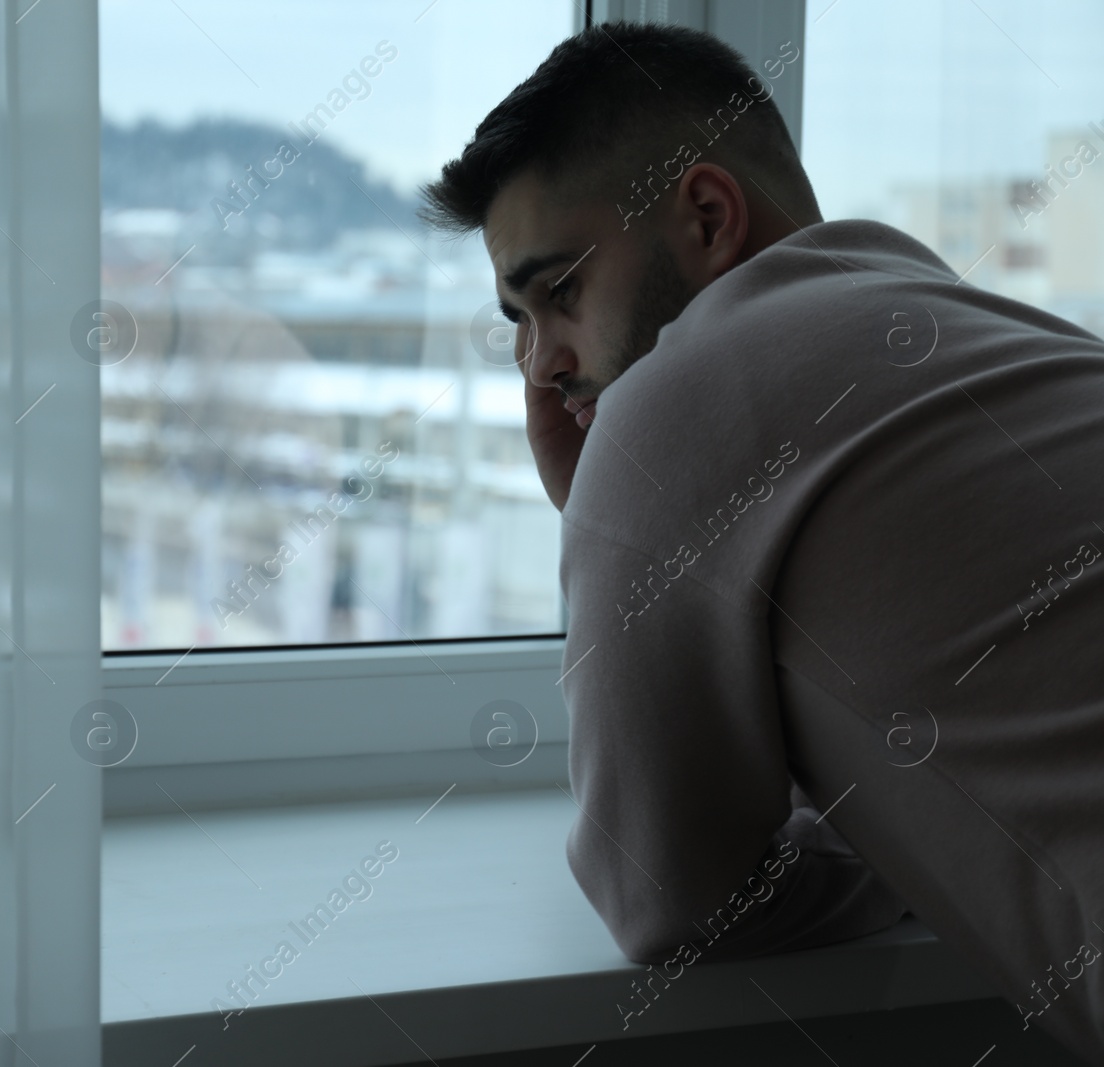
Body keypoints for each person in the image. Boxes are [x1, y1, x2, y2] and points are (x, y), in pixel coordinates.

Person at [421, 21, 1104, 1063]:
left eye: (559, 291)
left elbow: (665, 899)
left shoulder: (678, 406)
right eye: (513, 316)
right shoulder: (1009, 341)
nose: (538, 363)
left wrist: (613, 499)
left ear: (705, 215)